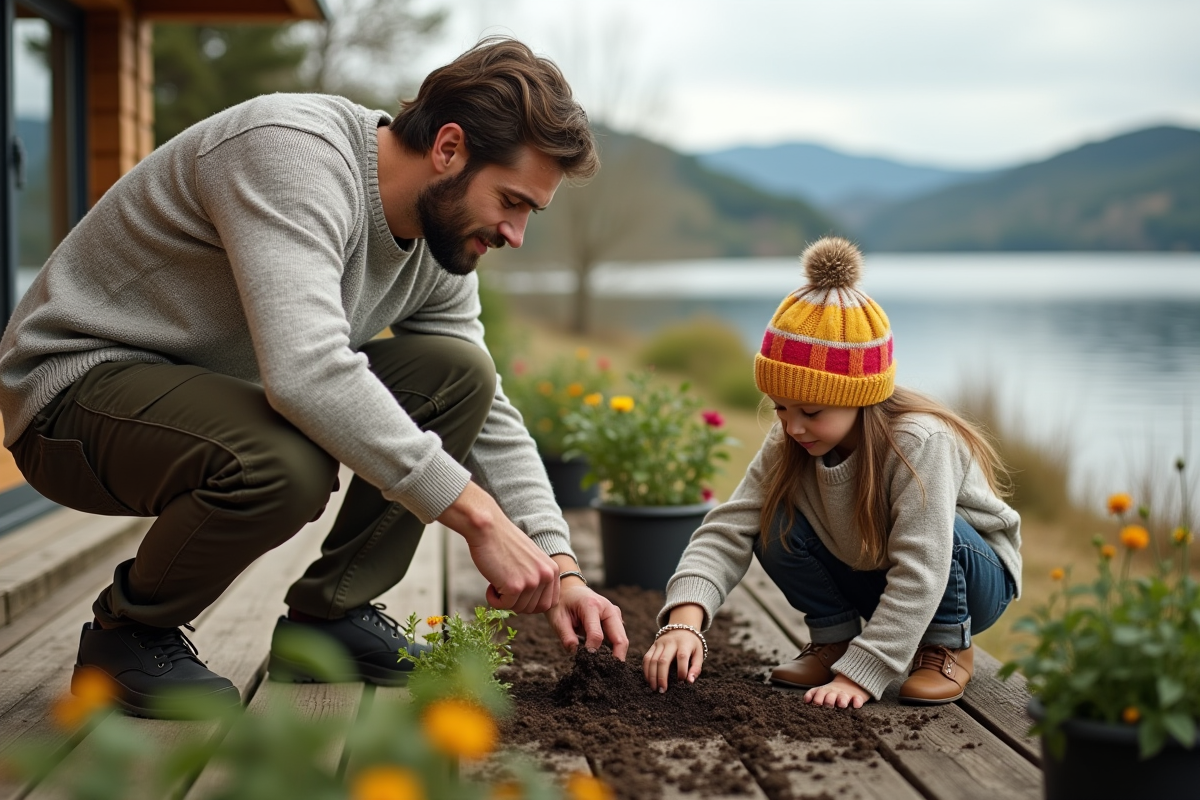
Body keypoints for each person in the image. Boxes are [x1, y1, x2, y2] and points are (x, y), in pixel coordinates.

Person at [0, 37, 627, 718]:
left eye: (530, 211)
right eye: (512, 200)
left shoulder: (441, 248)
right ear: (449, 148)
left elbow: (489, 410)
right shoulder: (292, 152)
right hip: (71, 396)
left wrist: (557, 562)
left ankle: (333, 615)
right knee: (286, 461)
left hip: (204, 400)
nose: (515, 233)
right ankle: (128, 634)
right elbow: (304, 373)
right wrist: (477, 517)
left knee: (459, 373)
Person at [643, 236, 1020, 707]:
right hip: (877, 572)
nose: (792, 425)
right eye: (780, 407)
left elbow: (924, 565)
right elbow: (727, 528)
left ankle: (946, 645)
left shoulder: (919, 442)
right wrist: (684, 620)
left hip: (970, 579)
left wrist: (862, 675)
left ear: (860, 397)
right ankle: (835, 639)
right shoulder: (792, 439)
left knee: (942, 533)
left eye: (811, 410)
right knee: (771, 521)